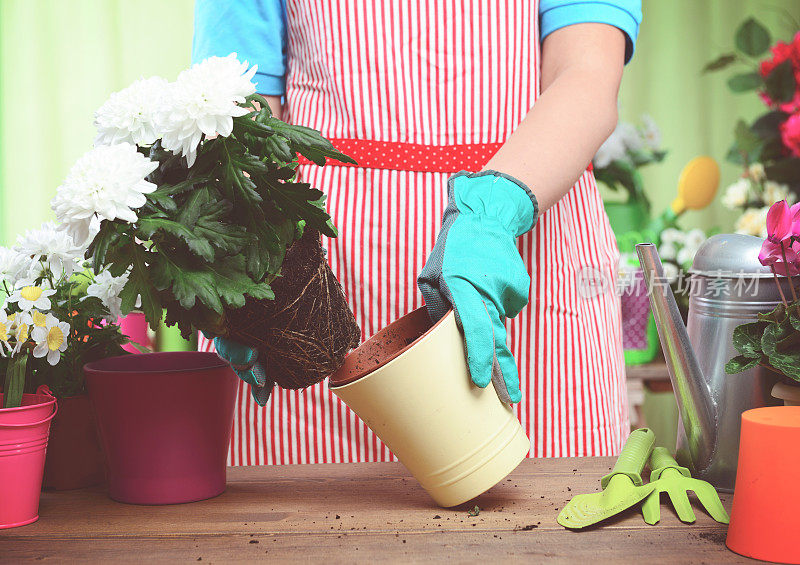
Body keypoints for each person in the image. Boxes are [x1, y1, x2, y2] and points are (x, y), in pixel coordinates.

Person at [193, 0, 642, 465]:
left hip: (529, 239)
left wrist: (493, 213)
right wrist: (247, 240)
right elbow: (240, 98)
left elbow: (587, 71)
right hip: (319, 282)